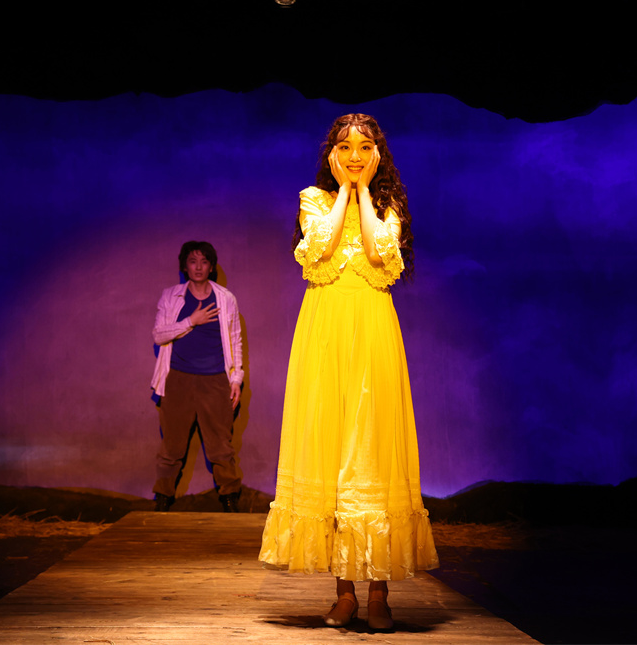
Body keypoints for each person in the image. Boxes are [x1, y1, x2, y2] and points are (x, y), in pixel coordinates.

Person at [258, 115, 439, 631]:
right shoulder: (313, 199)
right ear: (332, 154)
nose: (355, 155)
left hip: (373, 332)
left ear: (377, 154)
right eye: (345, 147)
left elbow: (382, 254)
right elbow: (318, 248)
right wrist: (342, 191)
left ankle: (379, 592)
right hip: (324, 334)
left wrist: (364, 194)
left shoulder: (387, 205)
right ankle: (344, 593)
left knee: (370, 457)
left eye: (365, 147)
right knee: (331, 449)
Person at [150, 241, 244, 513]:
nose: (199, 266)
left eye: (204, 261)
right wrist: (191, 321)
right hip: (178, 379)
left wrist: (236, 380)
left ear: (211, 266)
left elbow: (235, 340)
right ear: (185, 266)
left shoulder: (225, 298)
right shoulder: (171, 296)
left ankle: (229, 500)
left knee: (221, 447)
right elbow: (159, 335)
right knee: (172, 447)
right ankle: (163, 499)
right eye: (193, 261)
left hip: (215, 380)